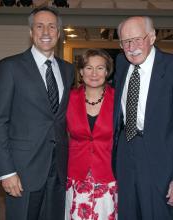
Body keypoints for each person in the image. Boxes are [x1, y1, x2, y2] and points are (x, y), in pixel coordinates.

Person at [0, 6, 74, 220]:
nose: (46, 32)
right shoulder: (10, 67)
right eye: (39, 26)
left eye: (52, 26)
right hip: (23, 169)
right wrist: (6, 171)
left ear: (59, 32)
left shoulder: (67, 69)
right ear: (31, 32)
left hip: (59, 169)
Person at [113, 16, 173, 220]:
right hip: (124, 153)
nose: (131, 47)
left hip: (159, 160)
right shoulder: (121, 63)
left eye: (137, 39)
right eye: (125, 42)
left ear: (152, 37)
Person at [65, 49, 118, 220]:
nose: (94, 73)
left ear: (107, 71)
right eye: (88, 68)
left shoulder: (119, 99)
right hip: (76, 175)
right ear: (81, 71)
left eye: (100, 68)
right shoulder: (68, 98)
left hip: (108, 175)